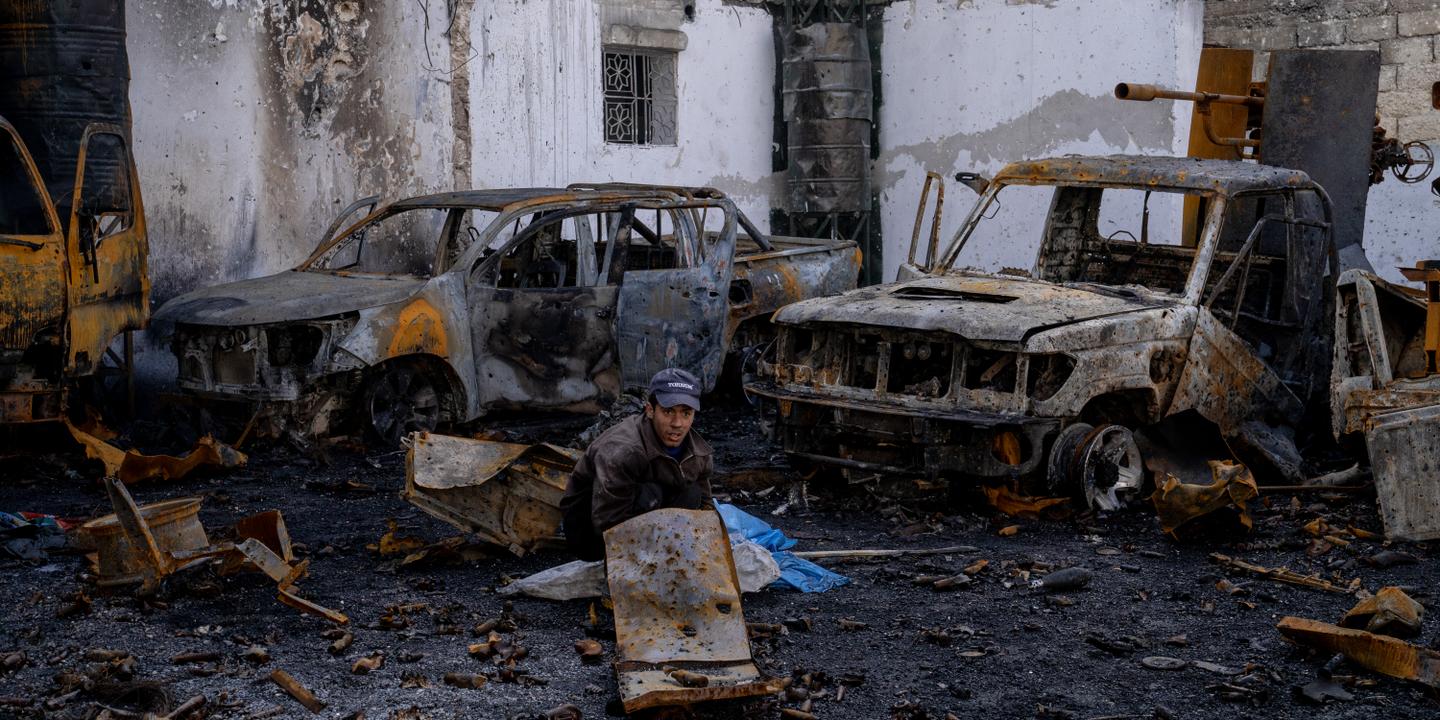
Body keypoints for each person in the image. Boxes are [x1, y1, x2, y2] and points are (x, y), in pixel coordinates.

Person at [560, 368, 713, 560]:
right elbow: (607, 522)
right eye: (668, 412)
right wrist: (649, 561)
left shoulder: (698, 452)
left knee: (692, 493)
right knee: (651, 493)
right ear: (650, 410)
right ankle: (652, 553)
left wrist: (705, 547)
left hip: (645, 518)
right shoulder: (623, 450)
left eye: (686, 413)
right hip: (591, 532)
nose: (677, 423)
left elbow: (706, 506)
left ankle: (664, 548)